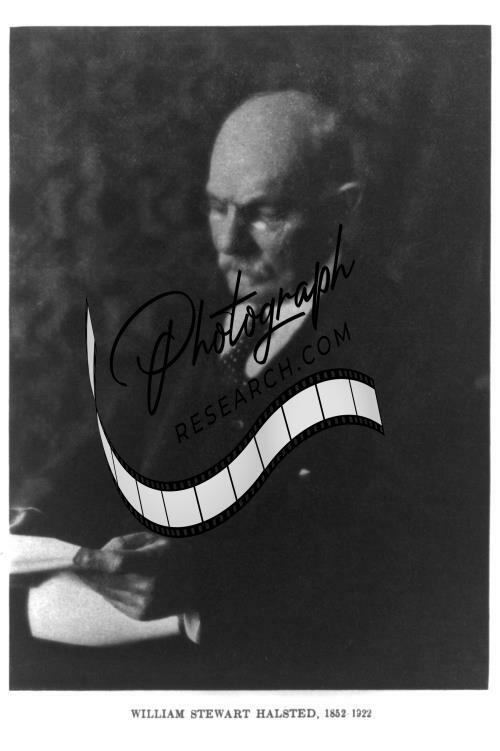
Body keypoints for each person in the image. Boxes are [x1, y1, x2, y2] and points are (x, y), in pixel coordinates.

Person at [18, 91, 405, 687]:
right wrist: (31, 518)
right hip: (117, 642)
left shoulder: (401, 350)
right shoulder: (194, 309)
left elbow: (383, 559)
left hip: (274, 671)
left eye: (265, 213)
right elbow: (110, 447)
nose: (229, 243)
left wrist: (202, 581)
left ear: (343, 210)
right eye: (217, 208)